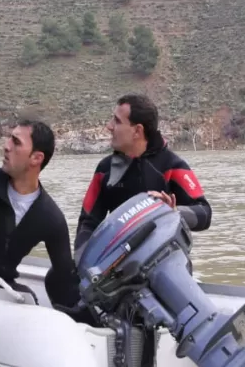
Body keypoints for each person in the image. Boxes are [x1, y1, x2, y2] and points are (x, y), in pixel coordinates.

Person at [0, 119, 80, 308]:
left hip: (2, 291)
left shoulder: (51, 218)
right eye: (9, 139)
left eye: (16, 142)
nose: (6, 146)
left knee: (30, 299)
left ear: (36, 158)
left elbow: (64, 278)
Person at [75, 94, 212, 255]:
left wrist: (172, 211)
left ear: (137, 131)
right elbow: (88, 222)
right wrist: (82, 263)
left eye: (117, 121)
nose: (109, 126)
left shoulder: (172, 165)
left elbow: (205, 213)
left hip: (164, 261)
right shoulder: (105, 169)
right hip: (120, 264)